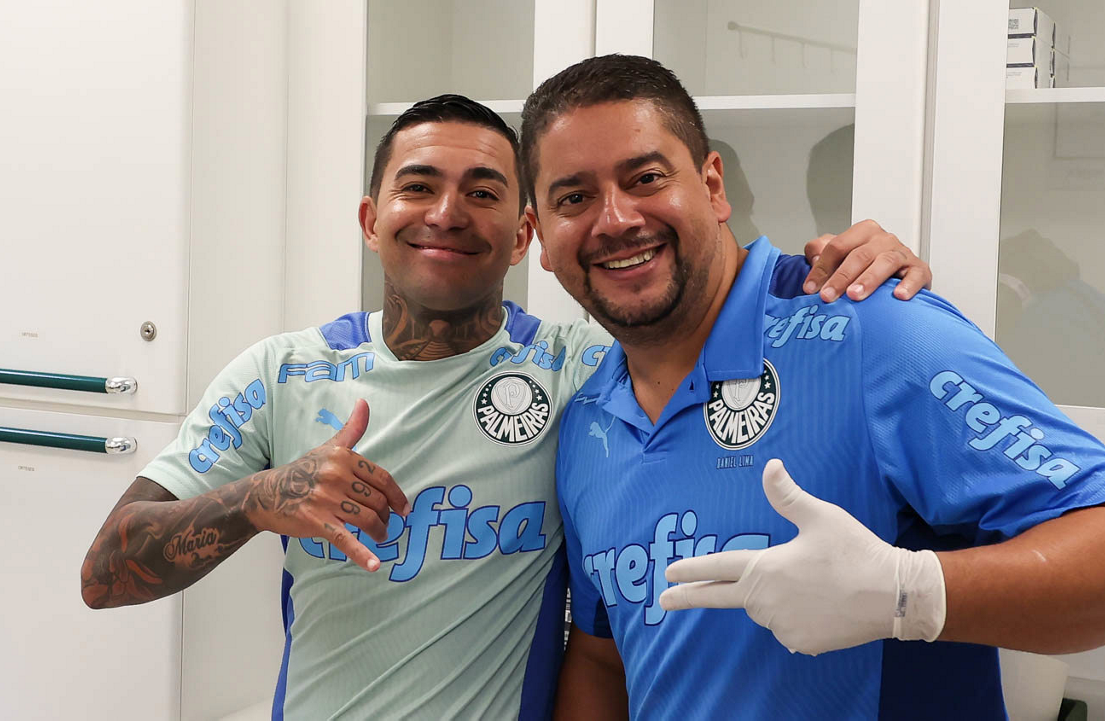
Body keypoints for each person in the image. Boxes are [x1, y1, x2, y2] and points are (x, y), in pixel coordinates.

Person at [79, 94, 932, 719]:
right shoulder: (280, 373)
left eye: (484, 192)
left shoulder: (582, 371)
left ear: (525, 236)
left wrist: (838, 267)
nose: (447, 214)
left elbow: (710, 312)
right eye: (418, 188)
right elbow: (104, 572)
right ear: (372, 219)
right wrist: (260, 498)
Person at [521, 55, 1105, 719]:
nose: (615, 219)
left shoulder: (872, 330)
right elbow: (604, 660)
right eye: (573, 197)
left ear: (713, 186)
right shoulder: (588, 422)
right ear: (543, 238)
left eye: (645, 177)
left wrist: (905, 594)